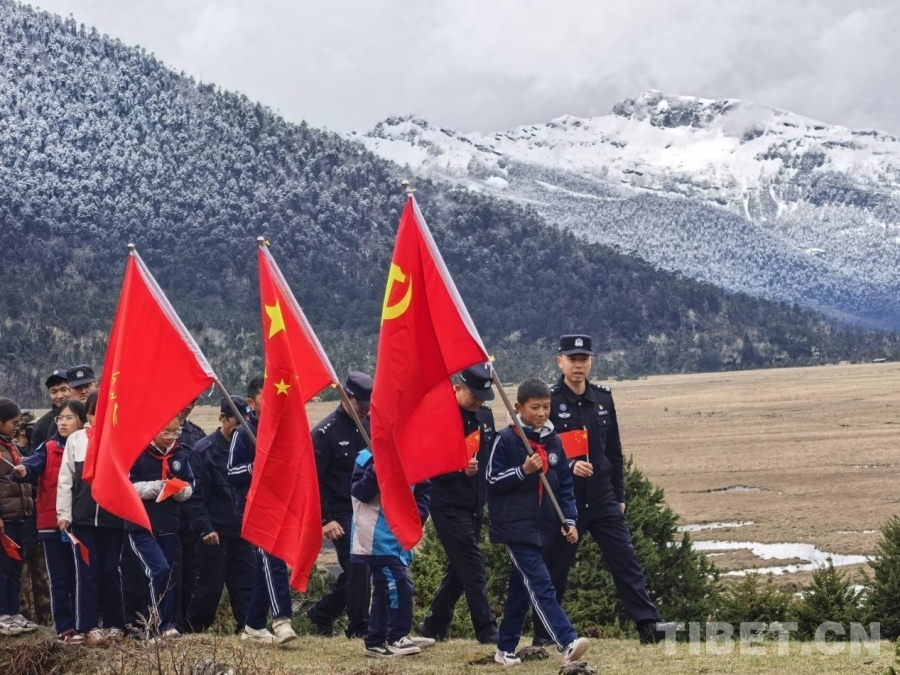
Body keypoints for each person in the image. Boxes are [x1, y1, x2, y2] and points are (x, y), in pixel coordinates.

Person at [535, 334, 669, 646]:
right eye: (572, 359)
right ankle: (544, 635)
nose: (578, 365)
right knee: (555, 567)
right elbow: (539, 451)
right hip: (565, 500)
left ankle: (649, 626)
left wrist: (619, 496)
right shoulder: (549, 401)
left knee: (625, 560)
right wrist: (569, 466)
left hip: (602, 496)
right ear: (560, 361)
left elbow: (614, 451)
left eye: (583, 359)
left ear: (591, 362)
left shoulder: (603, 398)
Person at [486, 378, 590, 667]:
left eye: (546, 407)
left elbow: (564, 487)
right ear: (518, 408)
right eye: (535, 407)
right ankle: (567, 642)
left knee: (522, 589)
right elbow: (491, 480)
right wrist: (522, 470)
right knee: (541, 583)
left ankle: (504, 649)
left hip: (543, 527)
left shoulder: (554, 442)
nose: (542, 413)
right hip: (515, 527)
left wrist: (569, 520)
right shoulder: (505, 440)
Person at [416, 363, 499, 644]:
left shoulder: (485, 415)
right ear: (457, 388)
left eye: (483, 397)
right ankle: (486, 629)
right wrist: (458, 468)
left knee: (460, 569)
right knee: (473, 566)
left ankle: (434, 625)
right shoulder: (440, 416)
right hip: (447, 504)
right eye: (474, 395)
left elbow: (490, 458)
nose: (478, 402)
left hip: (475, 505)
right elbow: (428, 462)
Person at [228, 376, 297, 645]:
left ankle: (254, 625)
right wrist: (256, 466)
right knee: (273, 557)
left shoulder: (283, 428)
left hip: (280, 503)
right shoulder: (243, 432)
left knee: (264, 566)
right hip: (254, 506)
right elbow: (232, 473)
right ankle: (282, 619)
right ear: (251, 402)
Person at [13, 400, 87, 642]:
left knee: (82, 577)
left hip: (82, 521)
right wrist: (23, 471)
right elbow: (32, 465)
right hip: (51, 522)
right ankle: (64, 627)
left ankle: (84, 624)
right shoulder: (48, 447)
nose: (63, 423)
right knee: (59, 578)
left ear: (82, 421)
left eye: (69, 418)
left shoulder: (88, 446)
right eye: (60, 418)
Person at [307, 371, 373, 638]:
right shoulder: (325, 433)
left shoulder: (370, 426)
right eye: (361, 405)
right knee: (358, 567)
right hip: (340, 512)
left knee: (362, 569)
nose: (365, 411)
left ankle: (323, 612)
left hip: (367, 507)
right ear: (346, 397)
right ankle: (360, 628)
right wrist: (326, 519)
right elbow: (314, 481)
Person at [349, 449, 433, 658]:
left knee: (384, 589)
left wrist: (415, 520)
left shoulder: (413, 455)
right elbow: (359, 492)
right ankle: (397, 636)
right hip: (376, 536)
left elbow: (423, 492)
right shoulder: (366, 457)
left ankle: (376, 640)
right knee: (398, 584)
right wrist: (374, 472)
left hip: (399, 536)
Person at [57, 392, 125, 643]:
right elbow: (65, 480)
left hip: (113, 519)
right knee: (88, 572)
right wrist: (64, 513)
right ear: (88, 414)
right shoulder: (76, 440)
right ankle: (87, 626)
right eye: (93, 412)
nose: (98, 417)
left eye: (103, 412)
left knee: (111, 571)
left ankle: (115, 623)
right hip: (83, 519)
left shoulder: (119, 439)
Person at [183, 396, 255, 634]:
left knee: (246, 585)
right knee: (209, 589)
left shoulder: (250, 448)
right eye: (237, 422)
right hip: (215, 533)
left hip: (243, 532)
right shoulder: (204, 450)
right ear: (223, 418)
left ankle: (249, 631)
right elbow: (195, 496)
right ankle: (195, 632)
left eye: (246, 423)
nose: (241, 429)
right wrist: (205, 527)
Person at [127, 416, 194, 638]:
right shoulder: (138, 452)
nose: (171, 437)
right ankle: (156, 627)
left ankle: (166, 625)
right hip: (142, 526)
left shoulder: (180, 454)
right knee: (158, 570)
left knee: (168, 575)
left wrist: (182, 490)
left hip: (169, 524)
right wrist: (158, 487)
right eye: (166, 432)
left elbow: (190, 484)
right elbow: (128, 486)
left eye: (176, 432)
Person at [0, 399, 36, 637]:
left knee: (14, 568)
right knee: (2, 568)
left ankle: (13, 612)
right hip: (4, 519)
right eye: (13, 423)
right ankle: (2, 614)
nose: (16, 427)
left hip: (18, 517)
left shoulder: (9, 446)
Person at [175, 397, 205, 631]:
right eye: (186, 399)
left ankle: (184, 623)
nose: (188, 405)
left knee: (190, 572)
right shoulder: (154, 429)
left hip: (191, 515)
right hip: (163, 512)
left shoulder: (197, 434)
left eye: (193, 401)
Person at [31, 369, 70, 452]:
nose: (59, 396)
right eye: (54, 392)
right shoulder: (42, 425)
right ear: (49, 394)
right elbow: (37, 455)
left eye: (63, 390)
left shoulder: (87, 415)